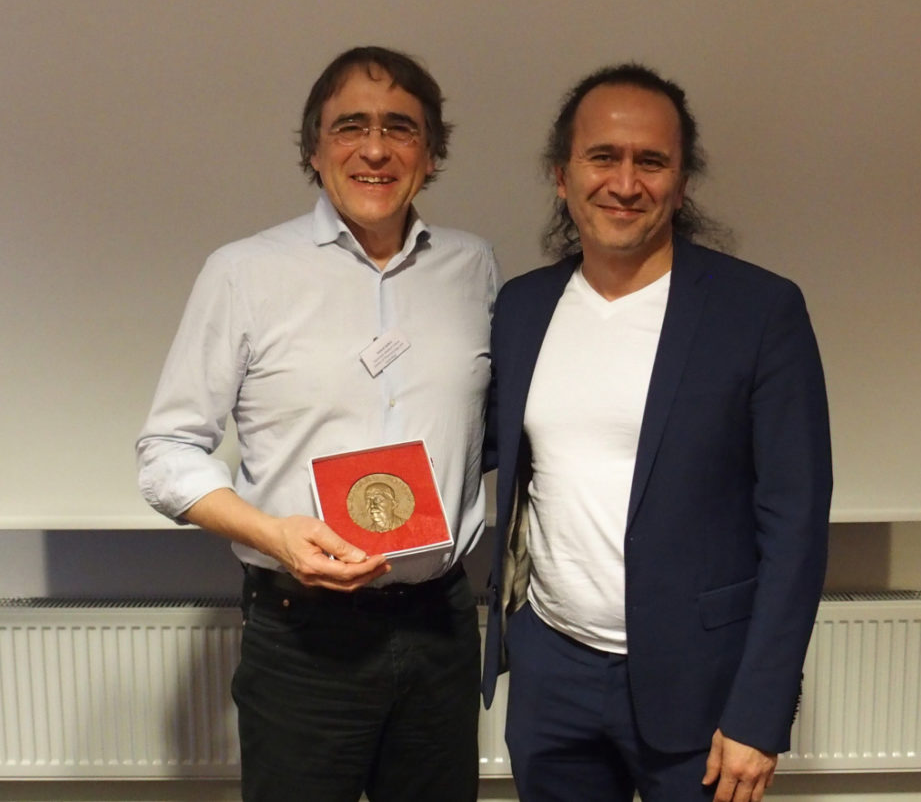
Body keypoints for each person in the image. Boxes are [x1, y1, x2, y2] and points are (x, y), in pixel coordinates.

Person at [137, 46, 499, 802]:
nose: (375, 148)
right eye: (350, 127)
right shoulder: (243, 272)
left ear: (430, 154)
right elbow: (168, 451)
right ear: (314, 148)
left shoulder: (473, 268)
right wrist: (276, 534)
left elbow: (487, 430)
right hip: (304, 636)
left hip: (441, 627)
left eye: (400, 128)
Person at [481, 63, 832, 802]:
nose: (625, 182)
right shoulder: (522, 308)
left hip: (703, 691)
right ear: (562, 175)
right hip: (553, 678)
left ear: (682, 180)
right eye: (602, 157)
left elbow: (795, 525)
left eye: (652, 161)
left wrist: (759, 712)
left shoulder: (759, 312)